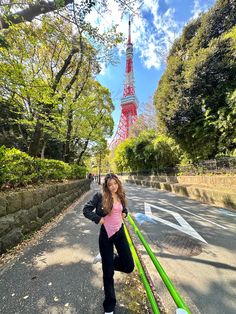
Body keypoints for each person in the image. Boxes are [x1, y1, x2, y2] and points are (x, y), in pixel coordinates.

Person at [83, 173, 134, 314]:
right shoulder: (100, 196)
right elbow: (86, 210)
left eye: (115, 183)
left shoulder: (121, 194)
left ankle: (107, 259)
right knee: (108, 273)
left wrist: (125, 213)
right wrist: (97, 219)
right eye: (110, 184)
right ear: (106, 185)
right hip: (106, 235)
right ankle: (109, 306)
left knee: (129, 266)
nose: (113, 187)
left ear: (118, 183)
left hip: (120, 233)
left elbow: (123, 208)